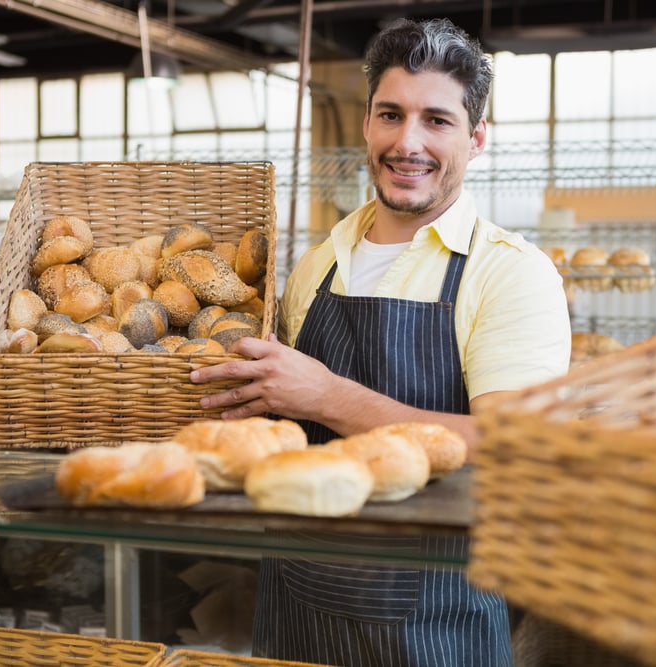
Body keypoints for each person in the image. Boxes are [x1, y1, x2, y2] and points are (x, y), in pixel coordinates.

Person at [190, 16, 571, 667]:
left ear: (477, 137)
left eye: (437, 121)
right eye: (390, 115)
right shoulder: (318, 264)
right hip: (294, 610)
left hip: (434, 625)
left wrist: (327, 395)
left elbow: (512, 447)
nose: (408, 142)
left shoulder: (509, 271)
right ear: (367, 123)